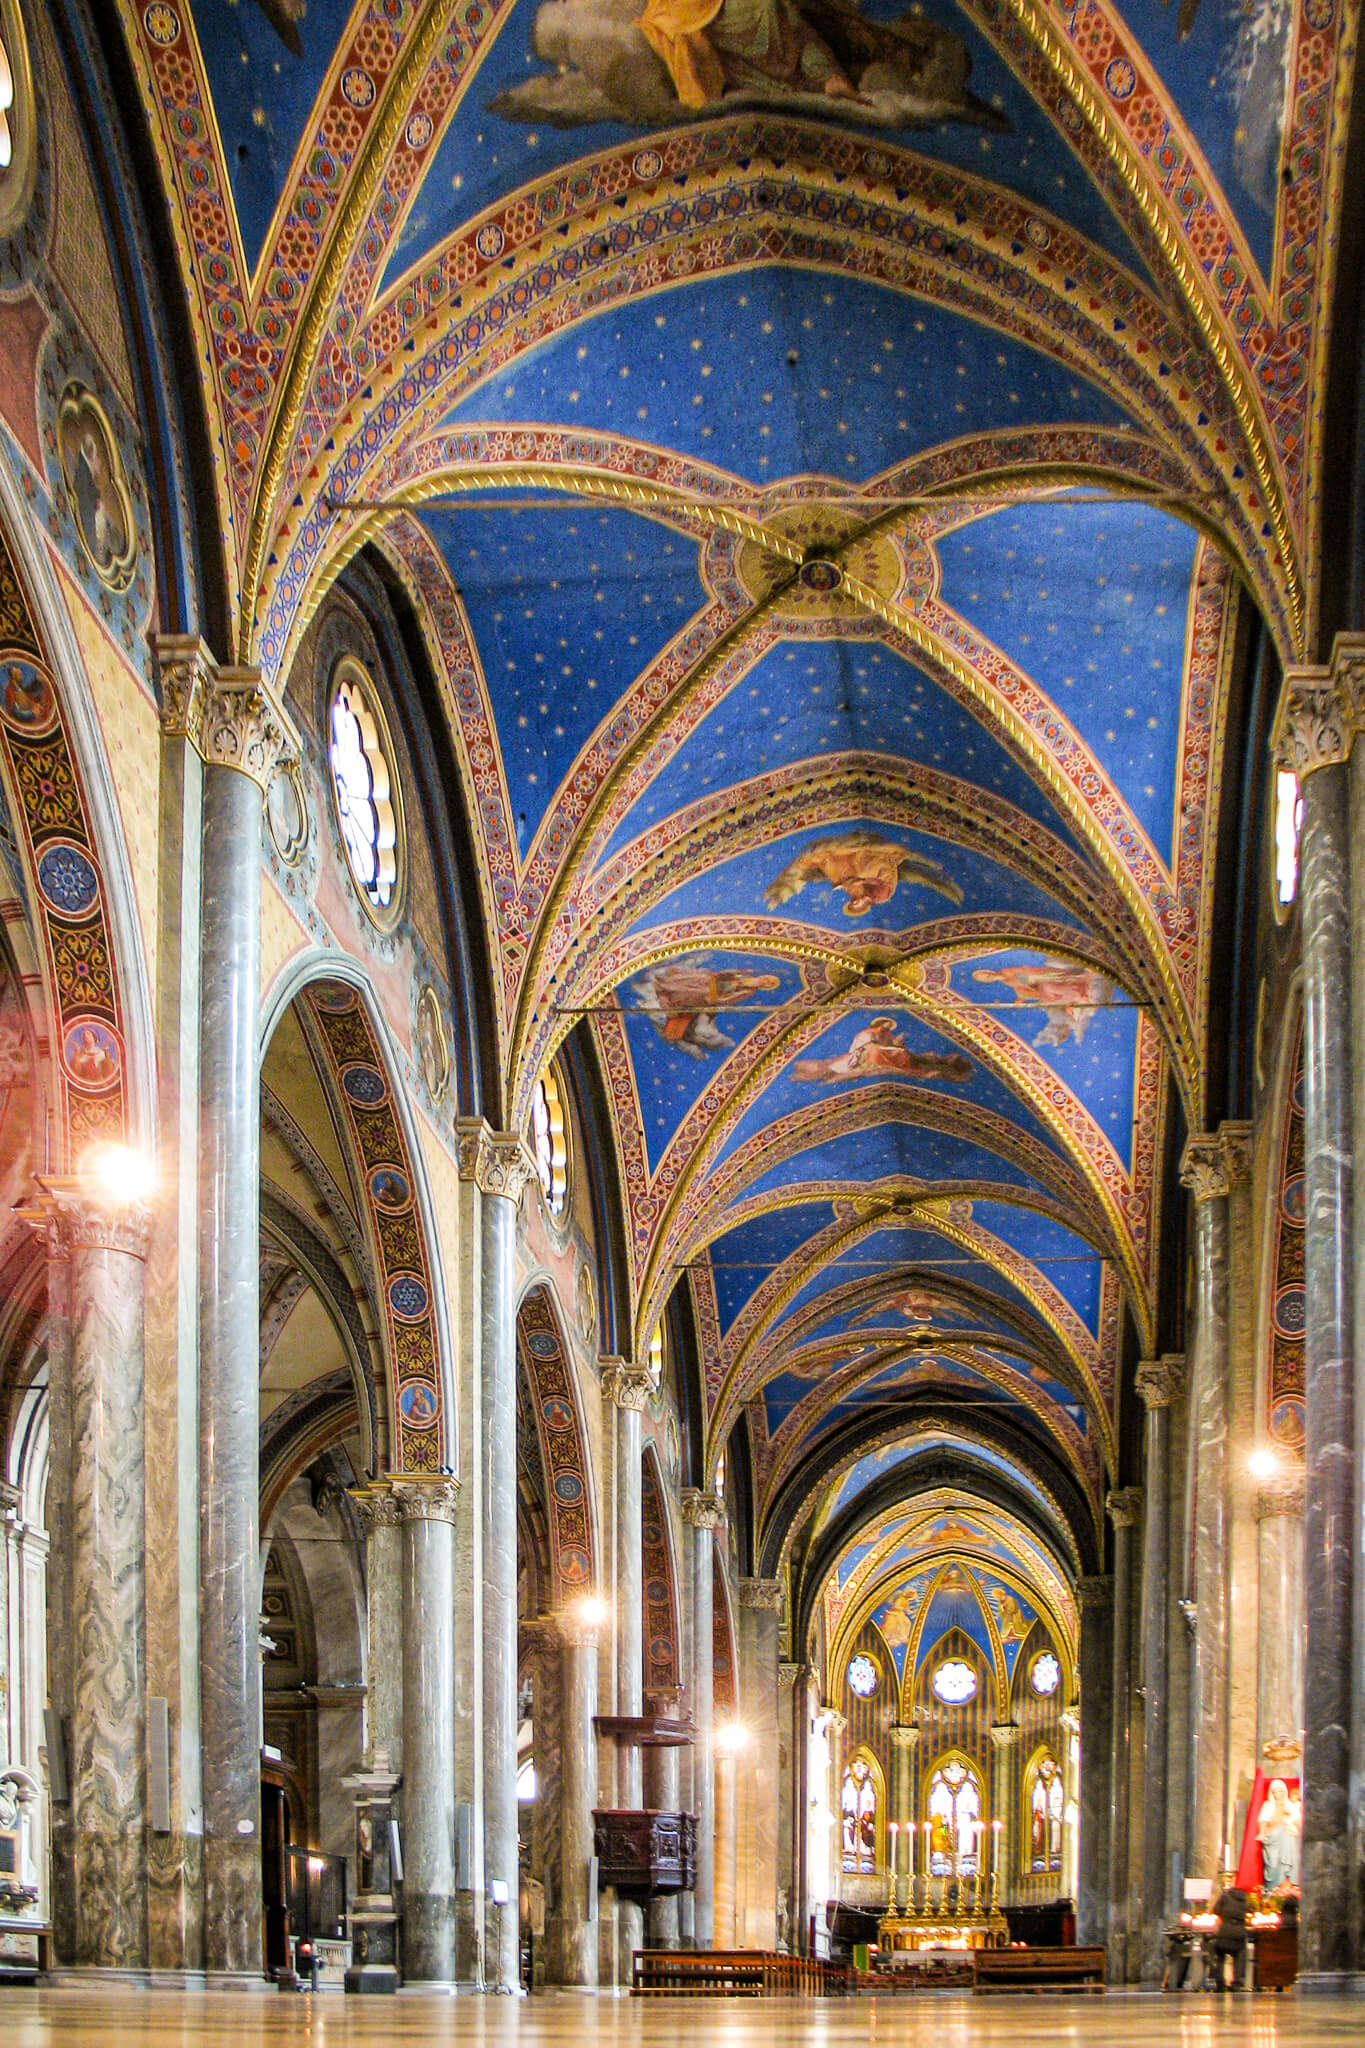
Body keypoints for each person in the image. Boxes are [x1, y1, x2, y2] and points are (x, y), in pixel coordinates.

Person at [1207, 1883, 1249, 1990]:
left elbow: (1215, 1910)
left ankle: (1220, 1981)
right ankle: (1237, 1982)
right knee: (1238, 1956)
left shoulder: (1225, 1896)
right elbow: (1249, 1912)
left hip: (1224, 1930)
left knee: (1220, 1955)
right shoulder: (1245, 1899)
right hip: (1239, 1931)